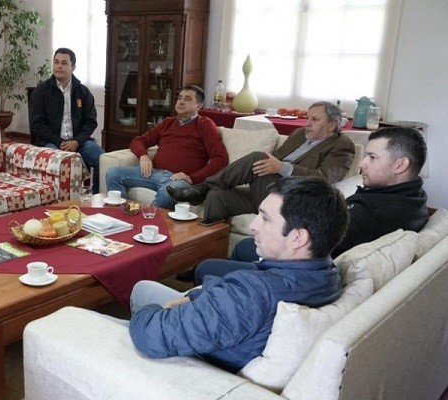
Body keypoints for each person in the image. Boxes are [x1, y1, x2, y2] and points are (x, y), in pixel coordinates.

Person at [128, 176, 347, 372]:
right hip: (226, 329)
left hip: (198, 359)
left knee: (140, 293)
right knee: (146, 288)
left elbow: (152, 335)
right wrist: (192, 298)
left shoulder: (250, 294)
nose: (253, 225)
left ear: (297, 238)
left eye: (265, 218)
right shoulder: (327, 274)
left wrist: (159, 309)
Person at [169, 101, 354, 281]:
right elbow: (272, 161)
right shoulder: (299, 135)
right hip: (266, 191)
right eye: (307, 118)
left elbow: (324, 178)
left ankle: (203, 187)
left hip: (290, 201)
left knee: (257, 158)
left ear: (332, 125)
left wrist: (281, 167)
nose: (307, 124)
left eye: (315, 120)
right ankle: (205, 262)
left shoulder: (342, 145)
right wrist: (275, 165)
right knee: (218, 196)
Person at [223, 127, 428, 274]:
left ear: (400, 164)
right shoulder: (414, 198)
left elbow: (312, 249)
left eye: (372, 157)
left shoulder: (371, 213)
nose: (363, 164)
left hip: (296, 268)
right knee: (244, 245)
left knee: (216, 263)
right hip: (305, 258)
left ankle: (231, 288)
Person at [105, 85, 229, 209]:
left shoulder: (205, 125)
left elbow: (221, 158)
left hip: (178, 180)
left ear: (198, 106)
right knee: (113, 173)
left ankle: (146, 220)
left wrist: (192, 178)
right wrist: (143, 156)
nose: (181, 101)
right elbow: (138, 141)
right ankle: (122, 215)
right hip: (154, 173)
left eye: (187, 99)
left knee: (167, 192)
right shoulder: (167, 123)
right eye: (180, 98)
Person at [30, 47, 105, 193]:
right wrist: (59, 142)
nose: (59, 66)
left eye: (64, 63)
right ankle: (59, 201)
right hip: (51, 141)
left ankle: (96, 199)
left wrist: (76, 141)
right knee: (59, 162)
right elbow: (37, 125)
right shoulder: (41, 91)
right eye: (56, 62)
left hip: (78, 141)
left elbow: (90, 122)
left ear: (73, 67)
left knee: (102, 159)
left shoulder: (83, 92)